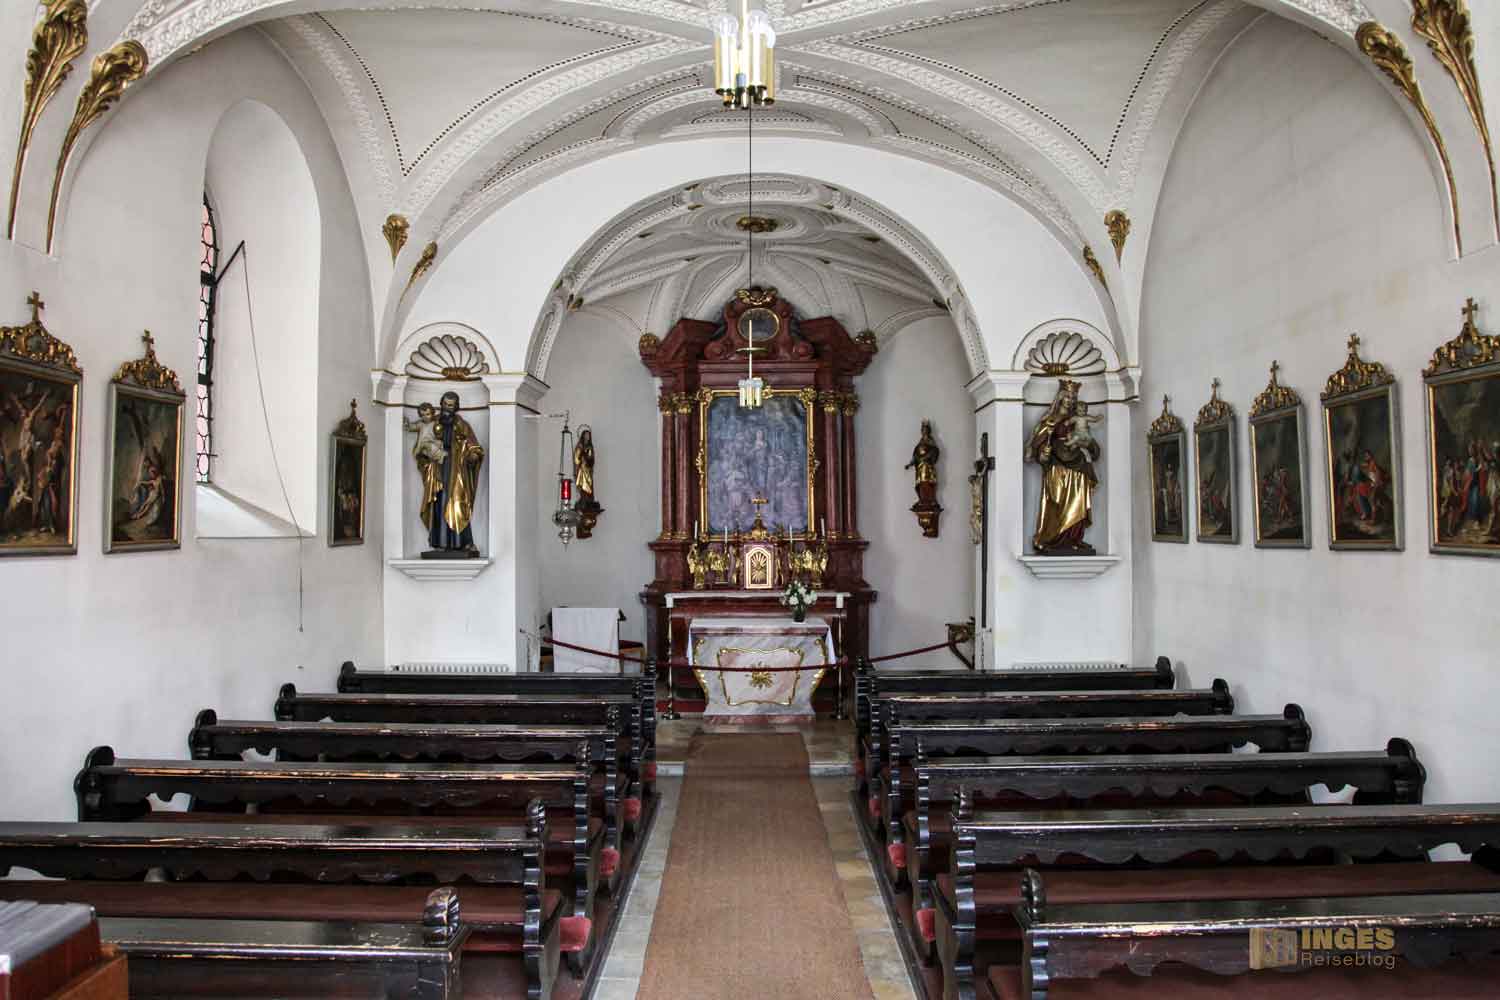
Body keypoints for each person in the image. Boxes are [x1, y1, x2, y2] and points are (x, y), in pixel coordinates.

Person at [1025, 380, 1099, 554]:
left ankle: (1074, 539)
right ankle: (1051, 539)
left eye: (1073, 397)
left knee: (1078, 503)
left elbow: (1093, 447)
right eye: (1067, 396)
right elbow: (1038, 447)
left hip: (1079, 468)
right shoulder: (1050, 420)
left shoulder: (1079, 421)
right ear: (1060, 398)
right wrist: (1042, 454)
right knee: (1056, 503)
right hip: (1057, 468)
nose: (1070, 400)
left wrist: (1088, 445)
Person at [414, 391, 485, 555]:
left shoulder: (462, 425)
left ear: (456, 407)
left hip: (456, 469)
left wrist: (473, 455)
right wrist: (425, 454)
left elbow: (473, 445)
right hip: (438, 469)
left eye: (451, 405)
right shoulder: (431, 422)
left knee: (458, 503)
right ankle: (440, 542)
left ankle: (462, 542)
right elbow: (422, 443)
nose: (447, 408)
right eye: (445, 404)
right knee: (439, 502)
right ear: (441, 404)